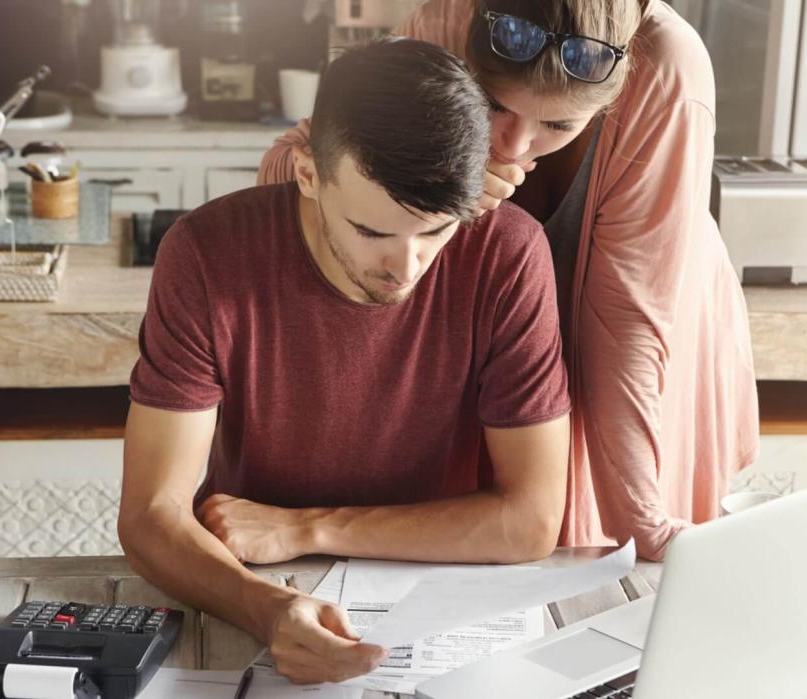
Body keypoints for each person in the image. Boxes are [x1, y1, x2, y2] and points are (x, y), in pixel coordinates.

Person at [119, 38, 571, 685]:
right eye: (372, 231)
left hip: (445, 606)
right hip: (255, 584)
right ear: (307, 173)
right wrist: (270, 610)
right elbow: (150, 514)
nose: (407, 267)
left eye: (437, 230)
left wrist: (307, 527)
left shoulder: (510, 255)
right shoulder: (205, 254)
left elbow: (530, 521)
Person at [259, 0, 760, 561]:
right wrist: (438, 180)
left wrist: (644, 522)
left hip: (646, 332)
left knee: (615, 565)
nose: (515, 145)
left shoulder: (664, 67)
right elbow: (292, 166)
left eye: (559, 124)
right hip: (504, 351)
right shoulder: (447, 24)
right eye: (494, 105)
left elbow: (627, 322)